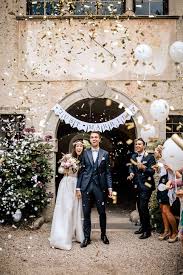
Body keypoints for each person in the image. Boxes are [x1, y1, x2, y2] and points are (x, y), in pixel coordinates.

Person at [76, 131, 113, 248]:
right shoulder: (85, 153)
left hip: (100, 186)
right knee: (86, 212)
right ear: (90, 140)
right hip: (86, 185)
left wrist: (110, 187)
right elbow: (81, 172)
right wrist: (78, 187)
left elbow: (107, 172)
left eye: (96, 137)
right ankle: (87, 237)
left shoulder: (105, 154)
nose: (94, 139)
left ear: (99, 139)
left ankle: (103, 235)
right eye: (92, 137)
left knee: (102, 211)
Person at [49, 140, 84, 250]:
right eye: (77, 146)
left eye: (81, 146)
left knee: (75, 209)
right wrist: (66, 168)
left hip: (77, 185)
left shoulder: (83, 159)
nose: (79, 148)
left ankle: (75, 233)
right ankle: (62, 235)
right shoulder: (68, 157)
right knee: (66, 208)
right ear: (74, 147)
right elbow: (59, 170)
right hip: (66, 184)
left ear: (83, 148)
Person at [127, 138, 156, 239]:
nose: (137, 146)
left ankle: (147, 231)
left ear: (144, 145)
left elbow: (152, 171)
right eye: (136, 144)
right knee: (139, 207)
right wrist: (131, 173)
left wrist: (144, 168)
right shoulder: (134, 156)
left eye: (139, 144)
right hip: (137, 185)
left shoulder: (150, 157)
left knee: (143, 207)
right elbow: (131, 166)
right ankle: (143, 227)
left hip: (146, 186)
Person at [154, 146, 178, 243]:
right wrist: (157, 168)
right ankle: (166, 231)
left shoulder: (169, 161)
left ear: (160, 152)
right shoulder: (160, 161)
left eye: (155, 152)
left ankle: (175, 232)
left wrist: (169, 168)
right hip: (162, 185)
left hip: (169, 185)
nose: (154, 153)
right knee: (162, 209)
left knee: (166, 210)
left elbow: (175, 173)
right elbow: (161, 173)